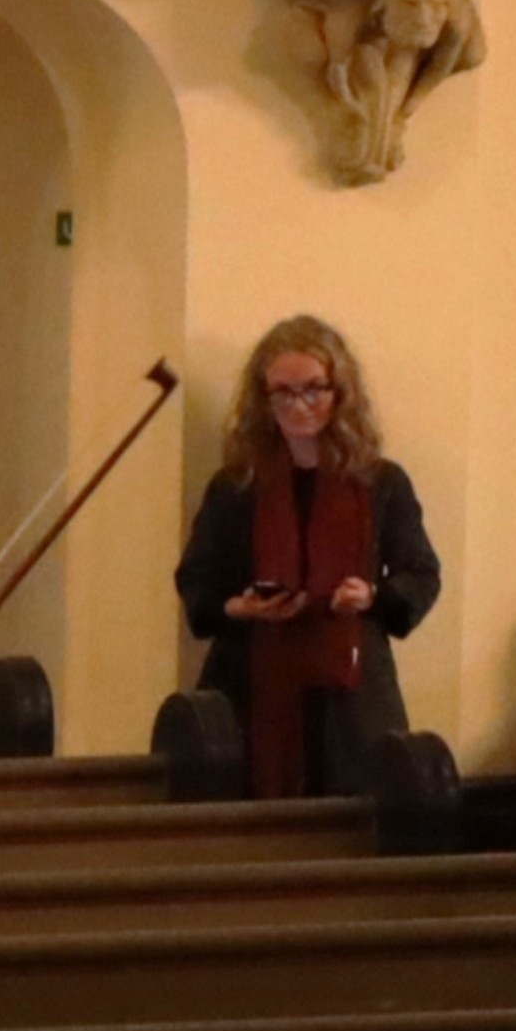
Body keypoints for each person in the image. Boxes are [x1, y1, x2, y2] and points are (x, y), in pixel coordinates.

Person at [172, 317, 445, 801]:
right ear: (264, 400)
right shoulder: (237, 486)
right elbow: (197, 577)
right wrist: (240, 607)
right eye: (283, 393)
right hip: (251, 687)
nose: (299, 406)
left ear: (340, 393)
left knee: (351, 826)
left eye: (313, 390)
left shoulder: (381, 482)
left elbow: (421, 574)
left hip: (353, 698)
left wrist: (373, 595)